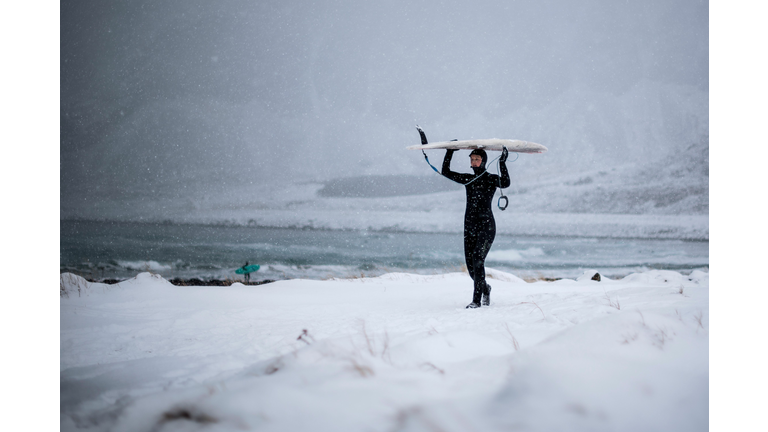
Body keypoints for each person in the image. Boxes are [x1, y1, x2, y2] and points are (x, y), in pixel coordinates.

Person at [441, 147, 510, 308]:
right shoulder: (468, 179)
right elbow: (445, 171)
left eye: (477, 159)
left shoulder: (491, 179)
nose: (473, 162)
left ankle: (476, 301)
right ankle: (485, 288)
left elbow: (506, 182)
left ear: (483, 161)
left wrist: (502, 162)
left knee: (478, 260)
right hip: (469, 226)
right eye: (472, 159)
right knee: (472, 268)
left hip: (486, 226)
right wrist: (450, 151)